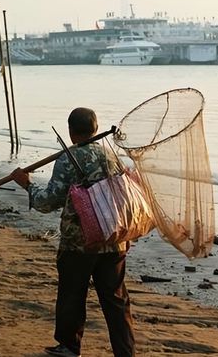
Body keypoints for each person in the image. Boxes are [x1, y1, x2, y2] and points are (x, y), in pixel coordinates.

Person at [11, 107, 135, 357]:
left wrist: (28, 185)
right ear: (96, 129)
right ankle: (125, 352)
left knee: (72, 294)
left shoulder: (68, 159)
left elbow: (48, 202)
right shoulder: (112, 157)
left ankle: (69, 346)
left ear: (70, 131)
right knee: (116, 299)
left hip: (79, 242)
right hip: (114, 238)